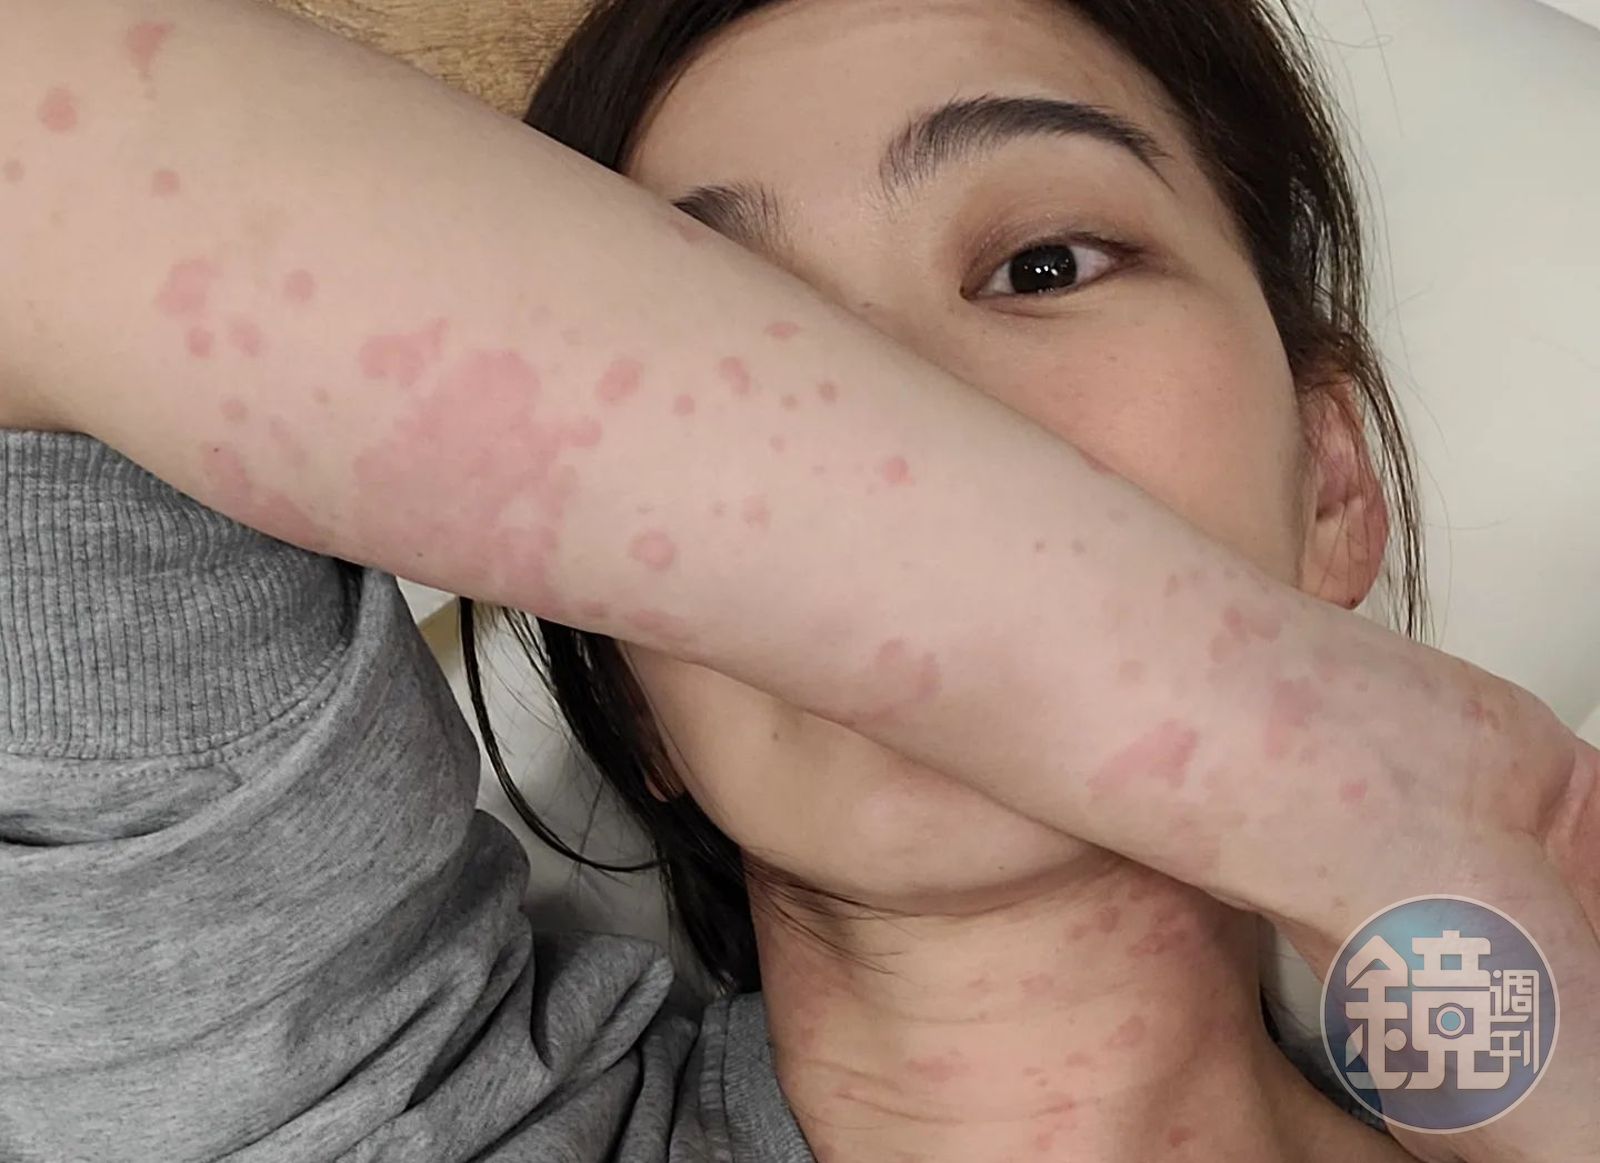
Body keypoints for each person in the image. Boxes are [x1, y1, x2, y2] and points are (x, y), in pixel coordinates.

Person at [0, 2, 1594, 1162]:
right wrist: (1277, 741)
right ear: (627, 690)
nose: (915, 416)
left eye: (1042, 265)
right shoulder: (382, 1117)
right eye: (726, 360)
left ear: (1334, 483)